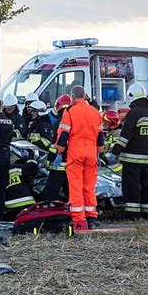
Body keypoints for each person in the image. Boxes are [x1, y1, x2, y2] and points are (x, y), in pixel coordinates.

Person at [106, 83, 148, 220]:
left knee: (132, 187)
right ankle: (147, 213)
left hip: (131, 159)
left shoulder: (133, 114)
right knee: (145, 186)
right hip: (146, 159)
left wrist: (114, 152)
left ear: (131, 97)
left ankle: (132, 215)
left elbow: (125, 136)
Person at [55, 86, 104, 231]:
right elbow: (100, 137)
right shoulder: (95, 112)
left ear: (73, 96)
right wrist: (98, 153)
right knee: (89, 186)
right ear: (84, 96)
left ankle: (79, 220)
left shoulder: (70, 111)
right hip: (91, 153)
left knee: (76, 186)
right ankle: (91, 218)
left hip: (75, 153)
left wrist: (59, 152)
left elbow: (64, 134)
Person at [43, 94, 73, 201]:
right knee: (69, 190)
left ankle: (51, 210)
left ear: (57, 106)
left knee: (51, 191)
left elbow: (55, 144)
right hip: (72, 162)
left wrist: (50, 158)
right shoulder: (75, 119)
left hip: (59, 163)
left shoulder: (59, 122)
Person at [101, 109, 123, 174]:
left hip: (116, 167)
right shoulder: (109, 133)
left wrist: (104, 159)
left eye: (106, 122)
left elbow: (113, 150)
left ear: (112, 122)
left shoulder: (117, 133)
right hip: (109, 166)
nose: (104, 124)